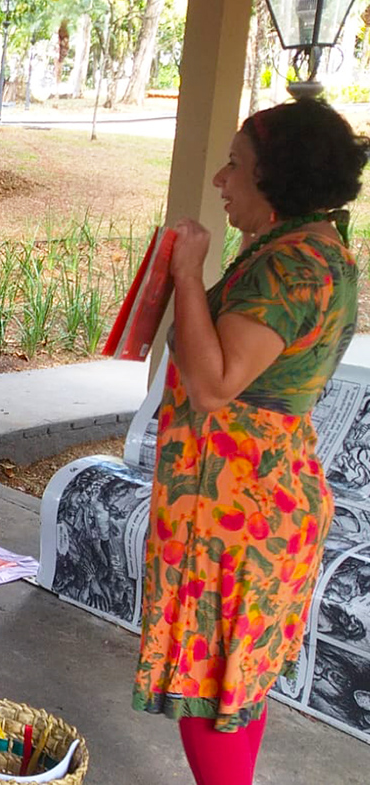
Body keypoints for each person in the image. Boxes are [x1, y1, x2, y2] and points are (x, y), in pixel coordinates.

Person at [132, 99, 368, 785]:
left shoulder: (293, 269)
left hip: (241, 510)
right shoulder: (298, 249)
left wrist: (184, 274)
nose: (220, 178)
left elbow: (212, 386)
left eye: (235, 164)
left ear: (275, 181)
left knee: (215, 684)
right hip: (252, 498)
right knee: (234, 677)